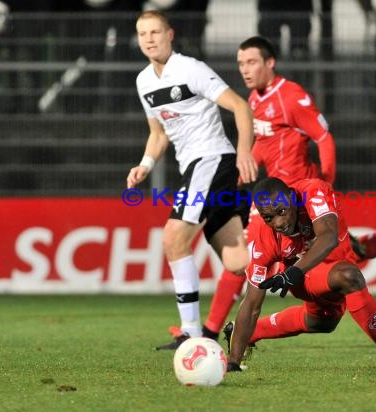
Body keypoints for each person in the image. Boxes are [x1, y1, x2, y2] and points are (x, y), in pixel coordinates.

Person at [182, 35, 376, 346]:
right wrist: (243, 172)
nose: (245, 69)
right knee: (331, 254)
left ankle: (212, 332)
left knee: (281, 258)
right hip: (273, 200)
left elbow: (324, 138)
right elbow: (265, 146)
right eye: (240, 63)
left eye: (252, 62)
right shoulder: (255, 99)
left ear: (270, 63)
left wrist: (328, 186)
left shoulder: (292, 96)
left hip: (297, 200)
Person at [126, 10, 258, 349]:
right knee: (238, 261)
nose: (149, 39)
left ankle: (191, 333)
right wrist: (145, 163)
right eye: (143, 34)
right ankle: (288, 262)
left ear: (170, 34)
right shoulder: (144, 81)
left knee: (173, 239)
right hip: (198, 168)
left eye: (155, 32)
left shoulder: (190, 69)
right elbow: (158, 132)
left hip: (212, 160)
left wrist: (244, 152)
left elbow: (241, 106)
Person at [224, 177, 376, 374]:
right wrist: (233, 363)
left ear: (292, 199)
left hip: (306, 271)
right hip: (306, 278)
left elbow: (329, 237)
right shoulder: (264, 239)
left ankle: (252, 332)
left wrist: (291, 273)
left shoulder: (313, 192)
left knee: (322, 323)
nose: (278, 222)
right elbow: (251, 304)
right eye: (268, 217)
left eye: (281, 211)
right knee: (350, 277)